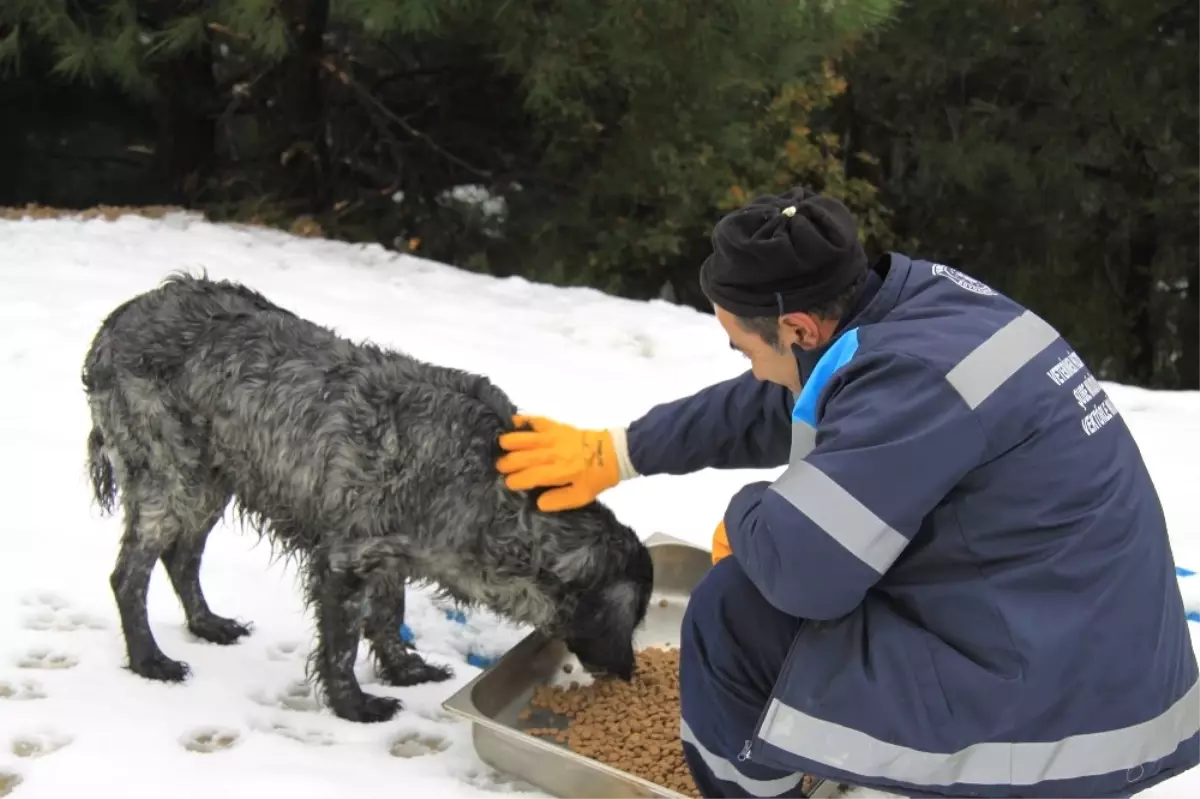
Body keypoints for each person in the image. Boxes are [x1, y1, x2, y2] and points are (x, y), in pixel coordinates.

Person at [493, 186, 1200, 799]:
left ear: (799, 326)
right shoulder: (919, 309)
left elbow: (806, 576)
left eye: (744, 348)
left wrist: (746, 518)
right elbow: (797, 395)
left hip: (1073, 719)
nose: (753, 368)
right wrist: (619, 450)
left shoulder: (912, 380)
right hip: (1086, 641)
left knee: (733, 610)